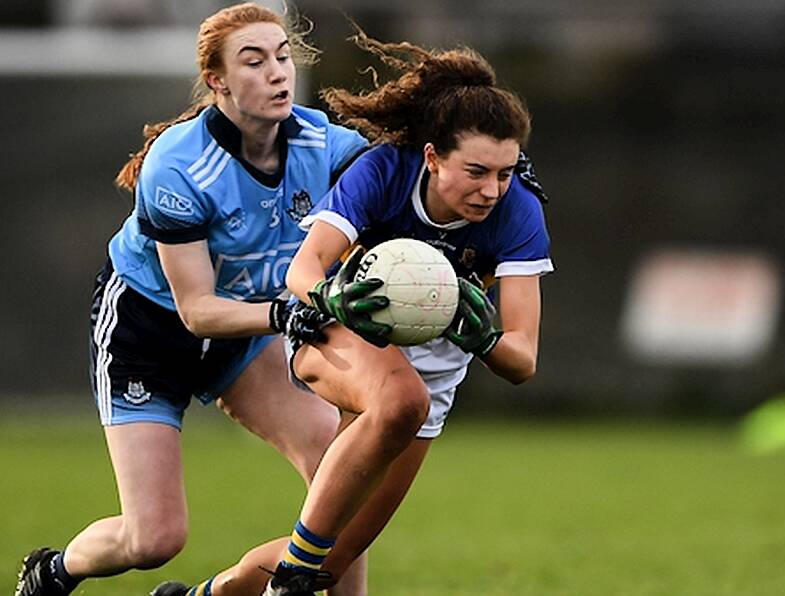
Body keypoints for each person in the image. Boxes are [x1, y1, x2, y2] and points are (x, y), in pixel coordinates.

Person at [160, 29, 553, 596]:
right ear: (432, 157)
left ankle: (211, 593)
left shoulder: (518, 213)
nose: (492, 190)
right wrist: (330, 298)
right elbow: (304, 268)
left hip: (435, 381)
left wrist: (485, 339)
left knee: (335, 559)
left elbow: (523, 359)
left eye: (504, 172)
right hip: (339, 334)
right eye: (476, 171)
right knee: (400, 400)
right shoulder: (384, 172)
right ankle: (292, 578)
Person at [14, 4, 371, 596]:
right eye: (253, 61)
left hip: (246, 335)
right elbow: (197, 311)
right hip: (149, 336)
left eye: (282, 56)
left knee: (342, 477)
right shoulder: (178, 166)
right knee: (153, 540)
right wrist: (283, 313)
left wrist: (498, 179)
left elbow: (404, 178)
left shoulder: (326, 143)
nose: (277, 72)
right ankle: (55, 571)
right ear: (218, 81)